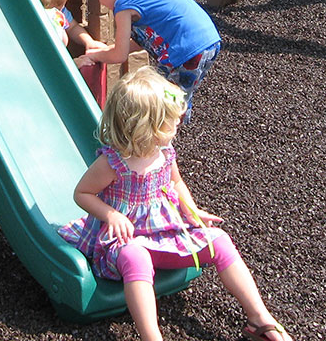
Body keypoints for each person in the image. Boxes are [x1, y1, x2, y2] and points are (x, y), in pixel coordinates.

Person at [59, 68, 293, 341]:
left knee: (220, 240)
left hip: (164, 229)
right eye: (170, 123)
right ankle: (151, 336)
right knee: (137, 257)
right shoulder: (113, 163)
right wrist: (110, 214)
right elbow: (82, 193)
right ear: (146, 128)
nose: (177, 126)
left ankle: (259, 317)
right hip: (123, 240)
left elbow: (177, 185)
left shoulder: (165, 152)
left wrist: (192, 212)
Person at [80, 0, 220, 120]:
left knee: (158, 98)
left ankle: (160, 137)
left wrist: (96, 55)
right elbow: (143, 40)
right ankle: (167, 131)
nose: (101, 2)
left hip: (185, 50)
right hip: (208, 42)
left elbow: (120, 55)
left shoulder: (123, 6)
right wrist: (108, 49)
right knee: (176, 96)